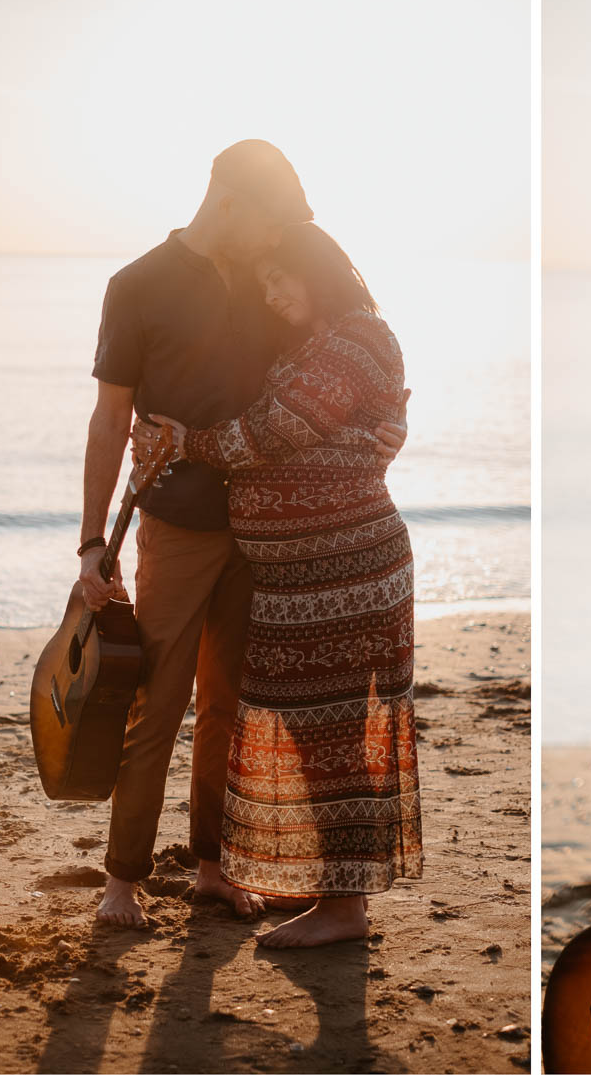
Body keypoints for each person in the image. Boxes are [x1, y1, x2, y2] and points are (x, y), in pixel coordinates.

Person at [78, 140, 406, 928]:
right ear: (229, 201)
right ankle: (121, 881)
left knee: (229, 708)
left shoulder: (271, 290)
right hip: (181, 526)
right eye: (271, 225)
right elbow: (109, 418)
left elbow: (313, 391)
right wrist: (94, 544)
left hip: (268, 542)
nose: (275, 248)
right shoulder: (138, 286)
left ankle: (212, 869)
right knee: (154, 703)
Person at [137, 223, 419, 948]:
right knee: (314, 730)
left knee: (333, 734)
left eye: (279, 277)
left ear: (316, 270)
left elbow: (275, 428)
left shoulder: (355, 337)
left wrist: (184, 441)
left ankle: (344, 908)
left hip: (347, 570)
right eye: (261, 282)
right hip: (305, 575)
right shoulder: (317, 342)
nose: (269, 292)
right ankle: (336, 890)